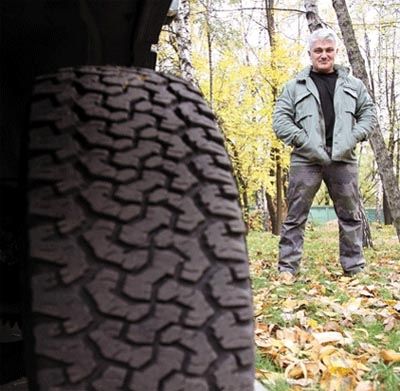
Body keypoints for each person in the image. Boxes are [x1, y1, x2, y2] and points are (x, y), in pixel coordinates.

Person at [272, 28, 376, 280]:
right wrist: (304, 141)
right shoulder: (293, 87)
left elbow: (369, 115)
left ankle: (354, 268)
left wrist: (351, 138)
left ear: (335, 52)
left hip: (343, 159)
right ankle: (288, 268)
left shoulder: (354, 85)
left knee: (351, 216)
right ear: (310, 54)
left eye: (328, 50)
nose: (324, 55)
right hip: (306, 160)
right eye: (318, 50)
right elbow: (281, 121)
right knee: (296, 216)